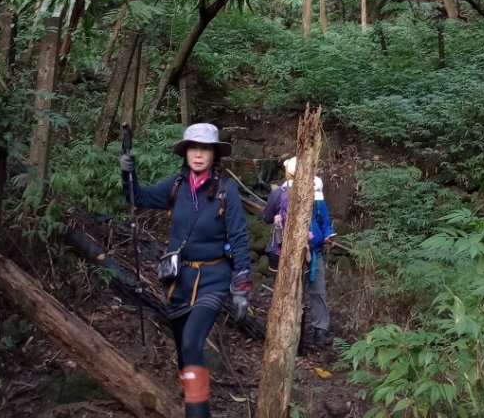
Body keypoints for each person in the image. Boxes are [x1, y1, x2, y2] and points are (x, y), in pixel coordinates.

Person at [120, 122, 251, 418]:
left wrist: (241, 286)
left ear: (214, 154)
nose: (199, 154)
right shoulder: (177, 185)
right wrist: (128, 171)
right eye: (194, 148)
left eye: (205, 149)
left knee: (192, 343)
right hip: (178, 282)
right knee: (183, 351)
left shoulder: (225, 191)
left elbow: (240, 239)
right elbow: (136, 197)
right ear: (186, 152)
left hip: (214, 279)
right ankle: (191, 397)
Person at [262, 156, 335, 347]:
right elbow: (268, 217)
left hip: (315, 250)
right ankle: (295, 336)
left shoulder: (316, 193)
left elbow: (325, 221)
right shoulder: (281, 194)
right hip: (288, 253)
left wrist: (328, 234)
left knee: (317, 291)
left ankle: (319, 331)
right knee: (293, 294)